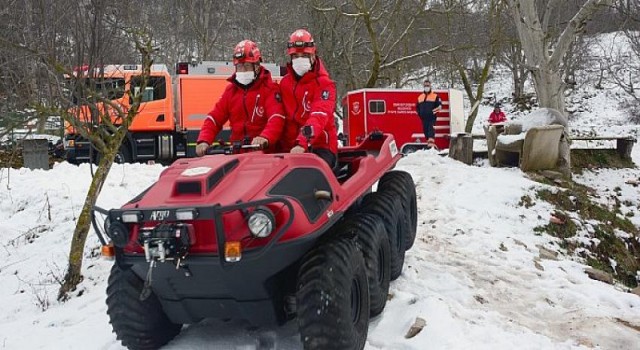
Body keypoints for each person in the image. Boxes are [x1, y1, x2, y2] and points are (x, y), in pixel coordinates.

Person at [195, 40, 285, 156]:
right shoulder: (231, 92)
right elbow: (214, 118)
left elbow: (276, 117)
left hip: (265, 155)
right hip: (238, 155)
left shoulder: (269, 89)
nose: (243, 70)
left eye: (247, 66)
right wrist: (204, 140)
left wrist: (265, 137)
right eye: (239, 66)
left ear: (257, 66)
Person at [277, 29, 338, 168]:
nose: (300, 60)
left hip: (320, 146)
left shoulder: (325, 84)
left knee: (310, 176)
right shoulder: (285, 84)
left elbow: (319, 115)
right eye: (295, 56)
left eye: (304, 55)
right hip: (289, 148)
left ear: (313, 55)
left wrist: (302, 142)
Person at [416, 80, 442, 147]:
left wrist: (432, 112)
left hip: (431, 118)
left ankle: (431, 144)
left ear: (430, 86)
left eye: (428, 85)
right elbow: (417, 107)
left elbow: (439, 107)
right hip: (424, 119)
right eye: (425, 86)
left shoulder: (435, 96)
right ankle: (429, 145)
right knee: (425, 131)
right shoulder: (420, 97)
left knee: (431, 130)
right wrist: (420, 114)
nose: (426, 87)